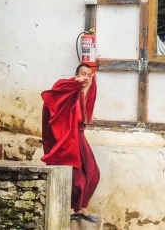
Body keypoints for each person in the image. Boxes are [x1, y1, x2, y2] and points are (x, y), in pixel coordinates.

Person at [40, 64, 100, 223]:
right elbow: (55, 93)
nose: (86, 78)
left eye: (89, 75)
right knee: (77, 177)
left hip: (79, 134)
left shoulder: (87, 91)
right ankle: (79, 209)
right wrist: (75, 83)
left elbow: (84, 116)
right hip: (69, 136)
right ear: (76, 74)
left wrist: (86, 86)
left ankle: (81, 207)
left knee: (94, 172)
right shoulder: (67, 88)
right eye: (83, 74)